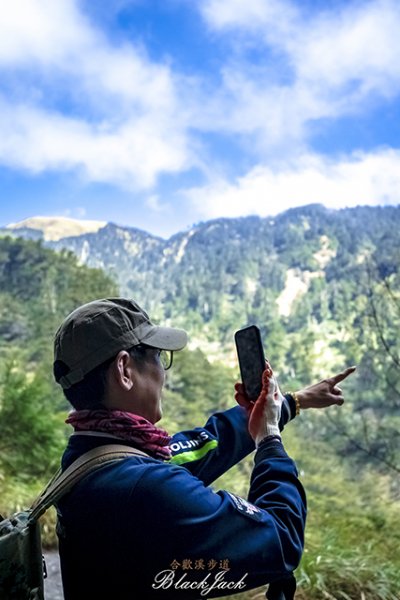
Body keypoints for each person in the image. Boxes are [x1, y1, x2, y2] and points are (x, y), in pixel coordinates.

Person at [53, 297, 355, 599]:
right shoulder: (144, 489)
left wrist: (289, 402)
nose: (163, 372)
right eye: (158, 356)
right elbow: (281, 539)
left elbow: (198, 447)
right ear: (125, 370)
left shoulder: (89, 458)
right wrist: (269, 440)